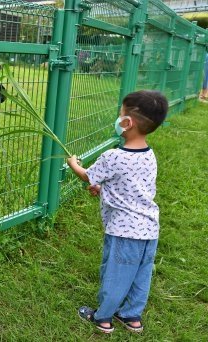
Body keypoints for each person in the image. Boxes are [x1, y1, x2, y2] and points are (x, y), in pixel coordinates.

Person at [66, 90, 168, 334]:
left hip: (124, 230)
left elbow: (87, 175)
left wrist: (74, 164)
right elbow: (129, 187)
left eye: (120, 114)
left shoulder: (113, 156)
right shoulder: (149, 155)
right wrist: (103, 189)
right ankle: (132, 316)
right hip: (149, 229)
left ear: (127, 123)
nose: (118, 118)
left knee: (115, 273)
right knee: (140, 275)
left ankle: (103, 318)